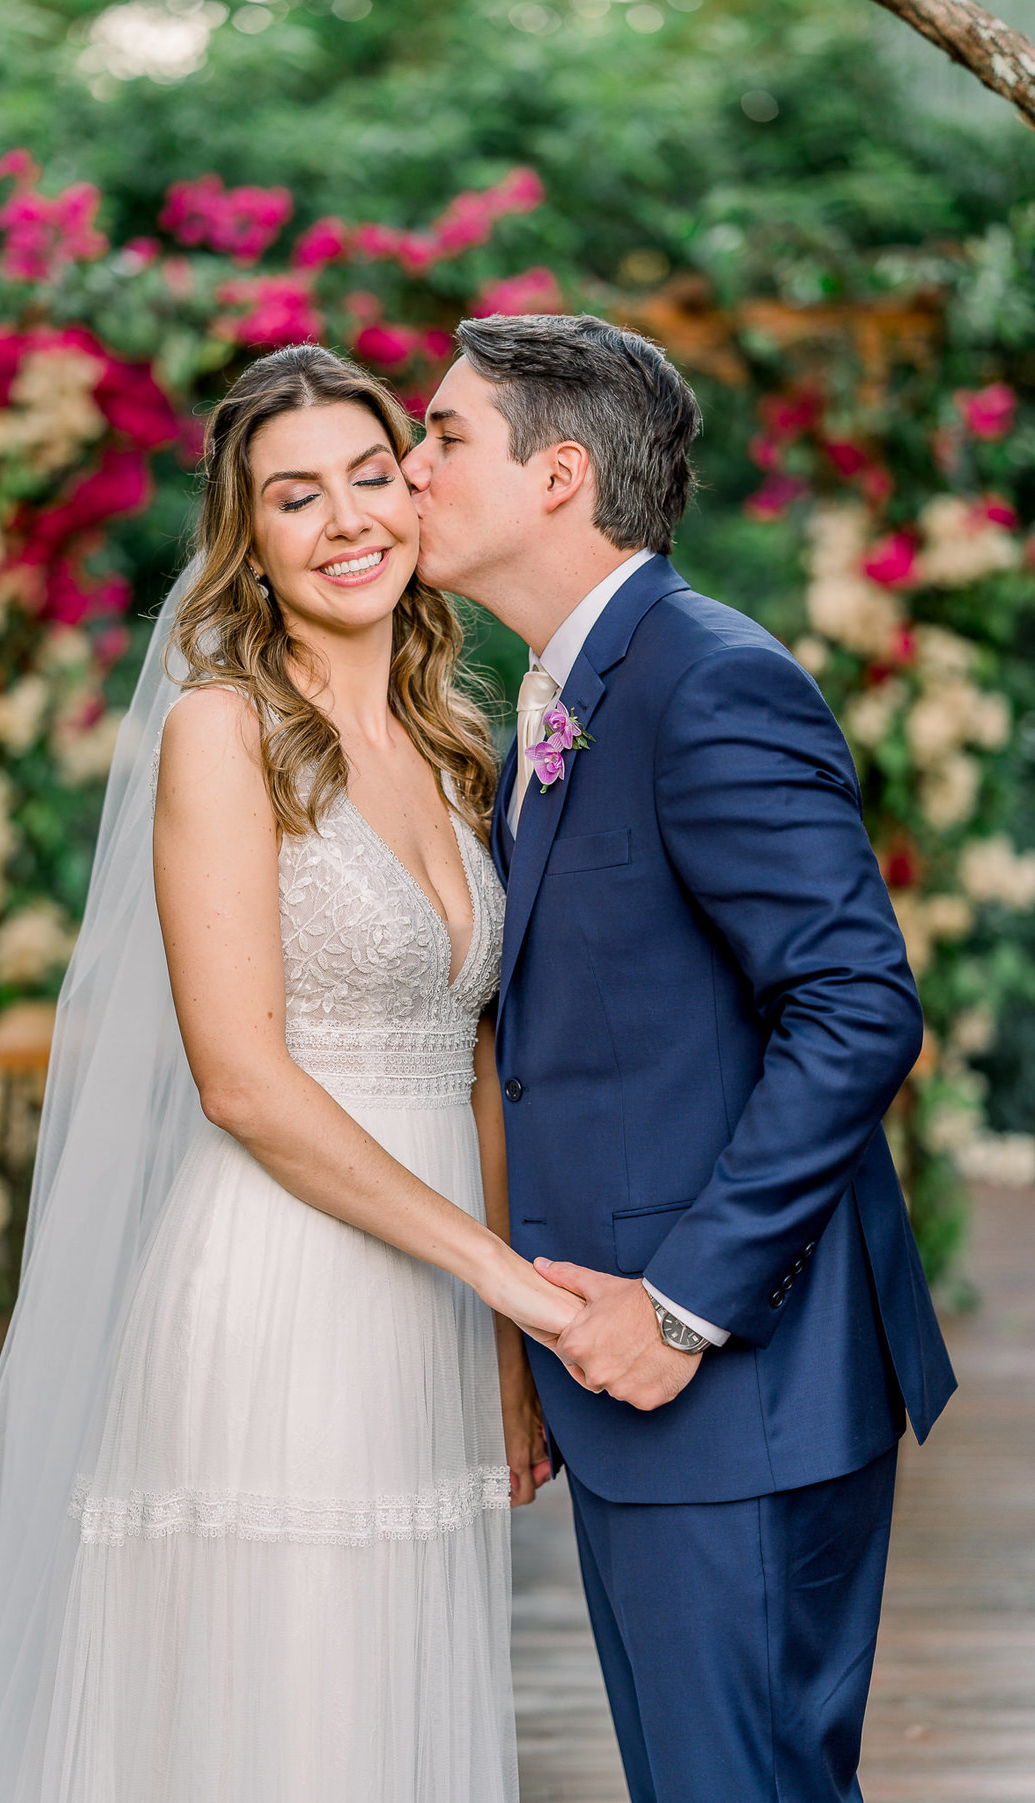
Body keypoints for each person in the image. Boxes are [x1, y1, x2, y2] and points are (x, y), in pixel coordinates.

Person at [0, 345, 578, 1803]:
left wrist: (503, 1352)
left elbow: (479, 1062)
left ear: (417, 491)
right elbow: (242, 1082)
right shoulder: (221, 733)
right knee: (279, 1714)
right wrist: (507, 1282)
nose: (347, 521)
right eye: (296, 497)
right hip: (281, 1286)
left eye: (370, 477)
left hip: (437, 1313)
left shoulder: (454, 744)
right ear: (247, 543)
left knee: (383, 1707)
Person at [402, 312, 957, 1803]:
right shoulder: (573, 688)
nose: (411, 466)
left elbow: (857, 1005)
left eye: (444, 435)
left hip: (732, 1377)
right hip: (631, 1382)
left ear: (559, 475)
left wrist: (683, 1308)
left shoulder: (707, 679)